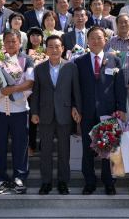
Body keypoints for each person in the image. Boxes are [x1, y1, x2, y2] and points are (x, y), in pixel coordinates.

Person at [75, 26, 126, 196]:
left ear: (105, 40)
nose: (96, 41)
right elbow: (76, 88)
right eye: (92, 38)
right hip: (87, 112)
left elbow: (120, 88)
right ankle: (89, 182)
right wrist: (76, 108)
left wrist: (122, 109)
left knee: (108, 148)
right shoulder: (79, 61)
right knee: (88, 149)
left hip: (108, 111)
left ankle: (109, 182)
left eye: (99, 38)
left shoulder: (115, 61)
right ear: (87, 41)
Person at [0, 29, 35, 195]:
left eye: (14, 41)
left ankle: (19, 177)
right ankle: (0, 178)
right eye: (8, 41)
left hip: (19, 110)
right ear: (3, 43)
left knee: (21, 145)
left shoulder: (26, 60)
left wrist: (12, 89)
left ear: (20, 42)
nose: (11, 44)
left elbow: (30, 82)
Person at [31, 35, 82, 195]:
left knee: (64, 150)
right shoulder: (39, 68)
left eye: (57, 46)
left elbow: (76, 91)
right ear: (46, 49)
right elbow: (36, 92)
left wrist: (77, 108)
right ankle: (46, 182)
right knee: (45, 150)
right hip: (45, 113)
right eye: (51, 46)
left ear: (62, 49)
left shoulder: (71, 67)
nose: (54, 50)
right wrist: (34, 112)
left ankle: (62, 182)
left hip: (65, 113)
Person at [103, 13, 129, 129]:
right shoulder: (110, 43)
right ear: (116, 25)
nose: (123, 24)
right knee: (115, 118)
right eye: (120, 22)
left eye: (126, 22)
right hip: (113, 87)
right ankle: (116, 144)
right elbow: (104, 62)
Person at [25, 26, 44, 156]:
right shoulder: (25, 54)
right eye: (33, 35)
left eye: (38, 35)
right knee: (31, 120)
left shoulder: (46, 52)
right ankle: (30, 145)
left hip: (44, 91)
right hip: (29, 92)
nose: (35, 38)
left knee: (44, 119)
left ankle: (44, 144)